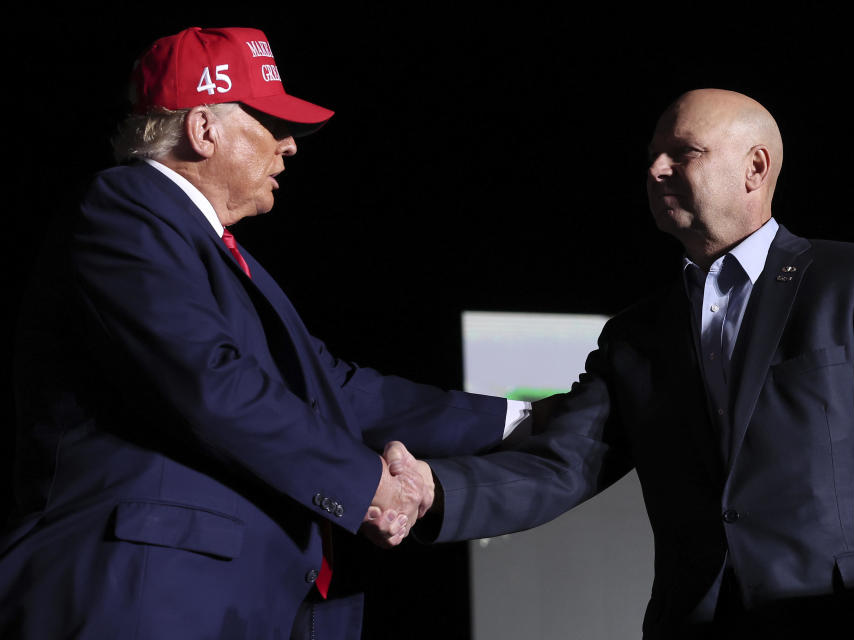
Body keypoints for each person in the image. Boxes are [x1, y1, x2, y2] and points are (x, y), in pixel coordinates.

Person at [0, 26, 523, 640]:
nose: (290, 147)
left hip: (234, 606)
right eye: (271, 122)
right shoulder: (123, 207)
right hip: (145, 599)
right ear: (203, 129)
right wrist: (367, 487)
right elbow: (209, 383)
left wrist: (517, 420)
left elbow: (333, 389)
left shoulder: (218, 255)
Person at [412, 89, 854, 638]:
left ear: (756, 167)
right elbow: (563, 464)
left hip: (844, 618)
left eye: (684, 152)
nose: (655, 168)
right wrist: (428, 491)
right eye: (652, 154)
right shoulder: (634, 336)